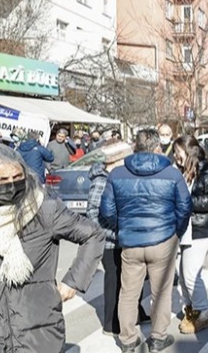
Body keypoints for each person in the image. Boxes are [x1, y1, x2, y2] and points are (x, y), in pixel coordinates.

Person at [0, 145, 105, 353]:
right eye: (1, 181)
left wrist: (72, 283)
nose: (11, 185)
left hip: (37, 334)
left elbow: (92, 235)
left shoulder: (43, 209)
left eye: (17, 177)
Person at [99, 129, 192, 353]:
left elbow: (106, 211)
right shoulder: (171, 174)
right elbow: (184, 208)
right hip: (163, 240)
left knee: (128, 292)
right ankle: (158, 337)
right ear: (158, 147)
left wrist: (123, 227)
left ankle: (129, 340)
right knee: (161, 291)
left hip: (130, 241)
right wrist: (176, 233)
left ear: (135, 147)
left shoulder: (117, 174)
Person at [85, 141, 150, 337]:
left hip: (125, 238)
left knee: (130, 280)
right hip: (110, 242)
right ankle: (111, 323)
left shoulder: (120, 176)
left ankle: (136, 313)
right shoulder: (101, 181)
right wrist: (114, 233)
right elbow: (93, 214)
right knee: (114, 281)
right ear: (117, 160)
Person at [173, 136, 208, 334]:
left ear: (189, 152)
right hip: (181, 230)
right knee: (181, 273)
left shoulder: (206, 172)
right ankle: (190, 308)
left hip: (198, 230)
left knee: (191, 273)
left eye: (179, 152)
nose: (176, 156)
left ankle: (203, 311)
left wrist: (187, 203)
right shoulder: (179, 171)